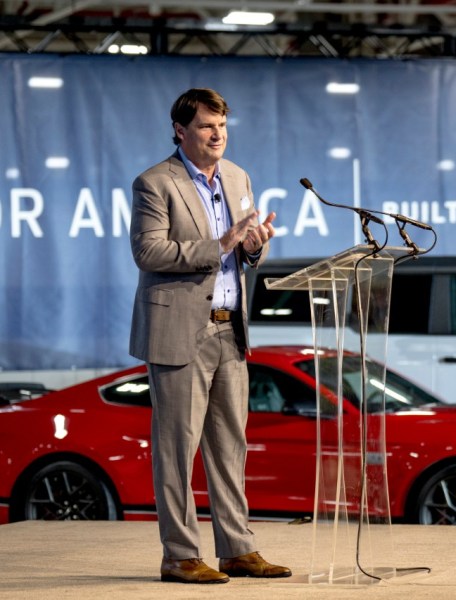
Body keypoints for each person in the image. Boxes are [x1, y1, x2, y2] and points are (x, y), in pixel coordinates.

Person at [129, 88, 291, 584]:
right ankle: (179, 554)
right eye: (206, 126)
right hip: (180, 331)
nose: (217, 134)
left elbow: (243, 253)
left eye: (222, 125)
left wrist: (254, 247)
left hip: (229, 329)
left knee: (229, 447)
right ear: (181, 130)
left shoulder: (238, 177)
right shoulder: (155, 183)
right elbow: (149, 252)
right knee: (176, 449)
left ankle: (238, 549)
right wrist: (221, 243)